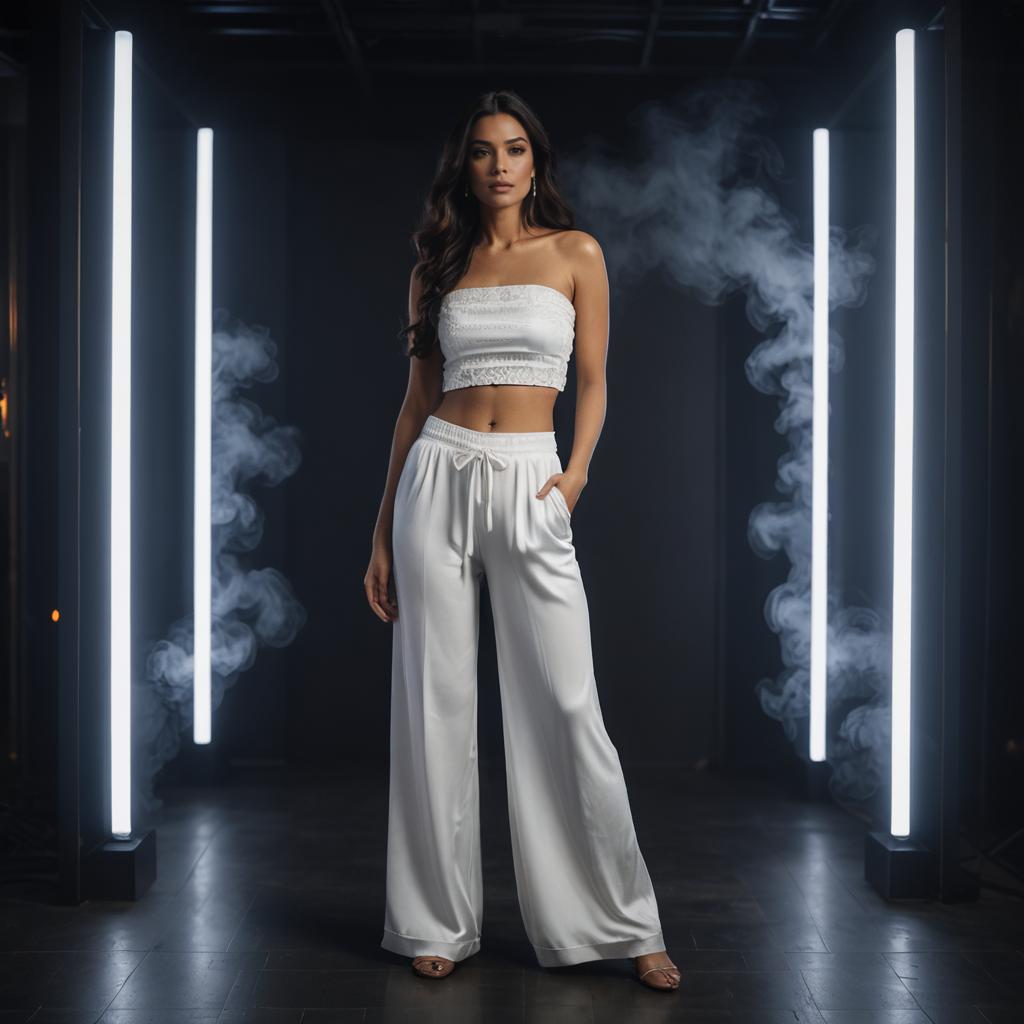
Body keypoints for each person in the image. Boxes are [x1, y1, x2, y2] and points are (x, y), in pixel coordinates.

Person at [364, 89, 680, 992]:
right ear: (463, 167)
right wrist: (381, 528)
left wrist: (575, 472)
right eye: (480, 151)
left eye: (513, 149)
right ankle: (433, 920)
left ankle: (624, 924)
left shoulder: (577, 253)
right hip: (439, 470)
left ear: (535, 161)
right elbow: (415, 403)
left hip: (531, 476)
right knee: (435, 704)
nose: (498, 165)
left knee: (568, 705)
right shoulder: (438, 263)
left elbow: (595, 379)